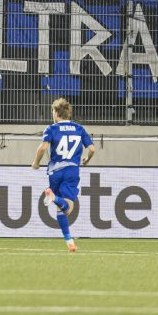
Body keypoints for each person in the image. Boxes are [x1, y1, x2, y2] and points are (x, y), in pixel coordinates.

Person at [31, 97, 95, 253]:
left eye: (52, 111)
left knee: (61, 210)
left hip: (55, 171)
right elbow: (92, 149)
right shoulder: (79, 129)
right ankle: (53, 198)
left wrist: (36, 163)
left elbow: (42, 148)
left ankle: (69, 241)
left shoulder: (51, 129)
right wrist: (87, 160)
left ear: (56, 112)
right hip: (71, 170)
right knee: (68, 209)